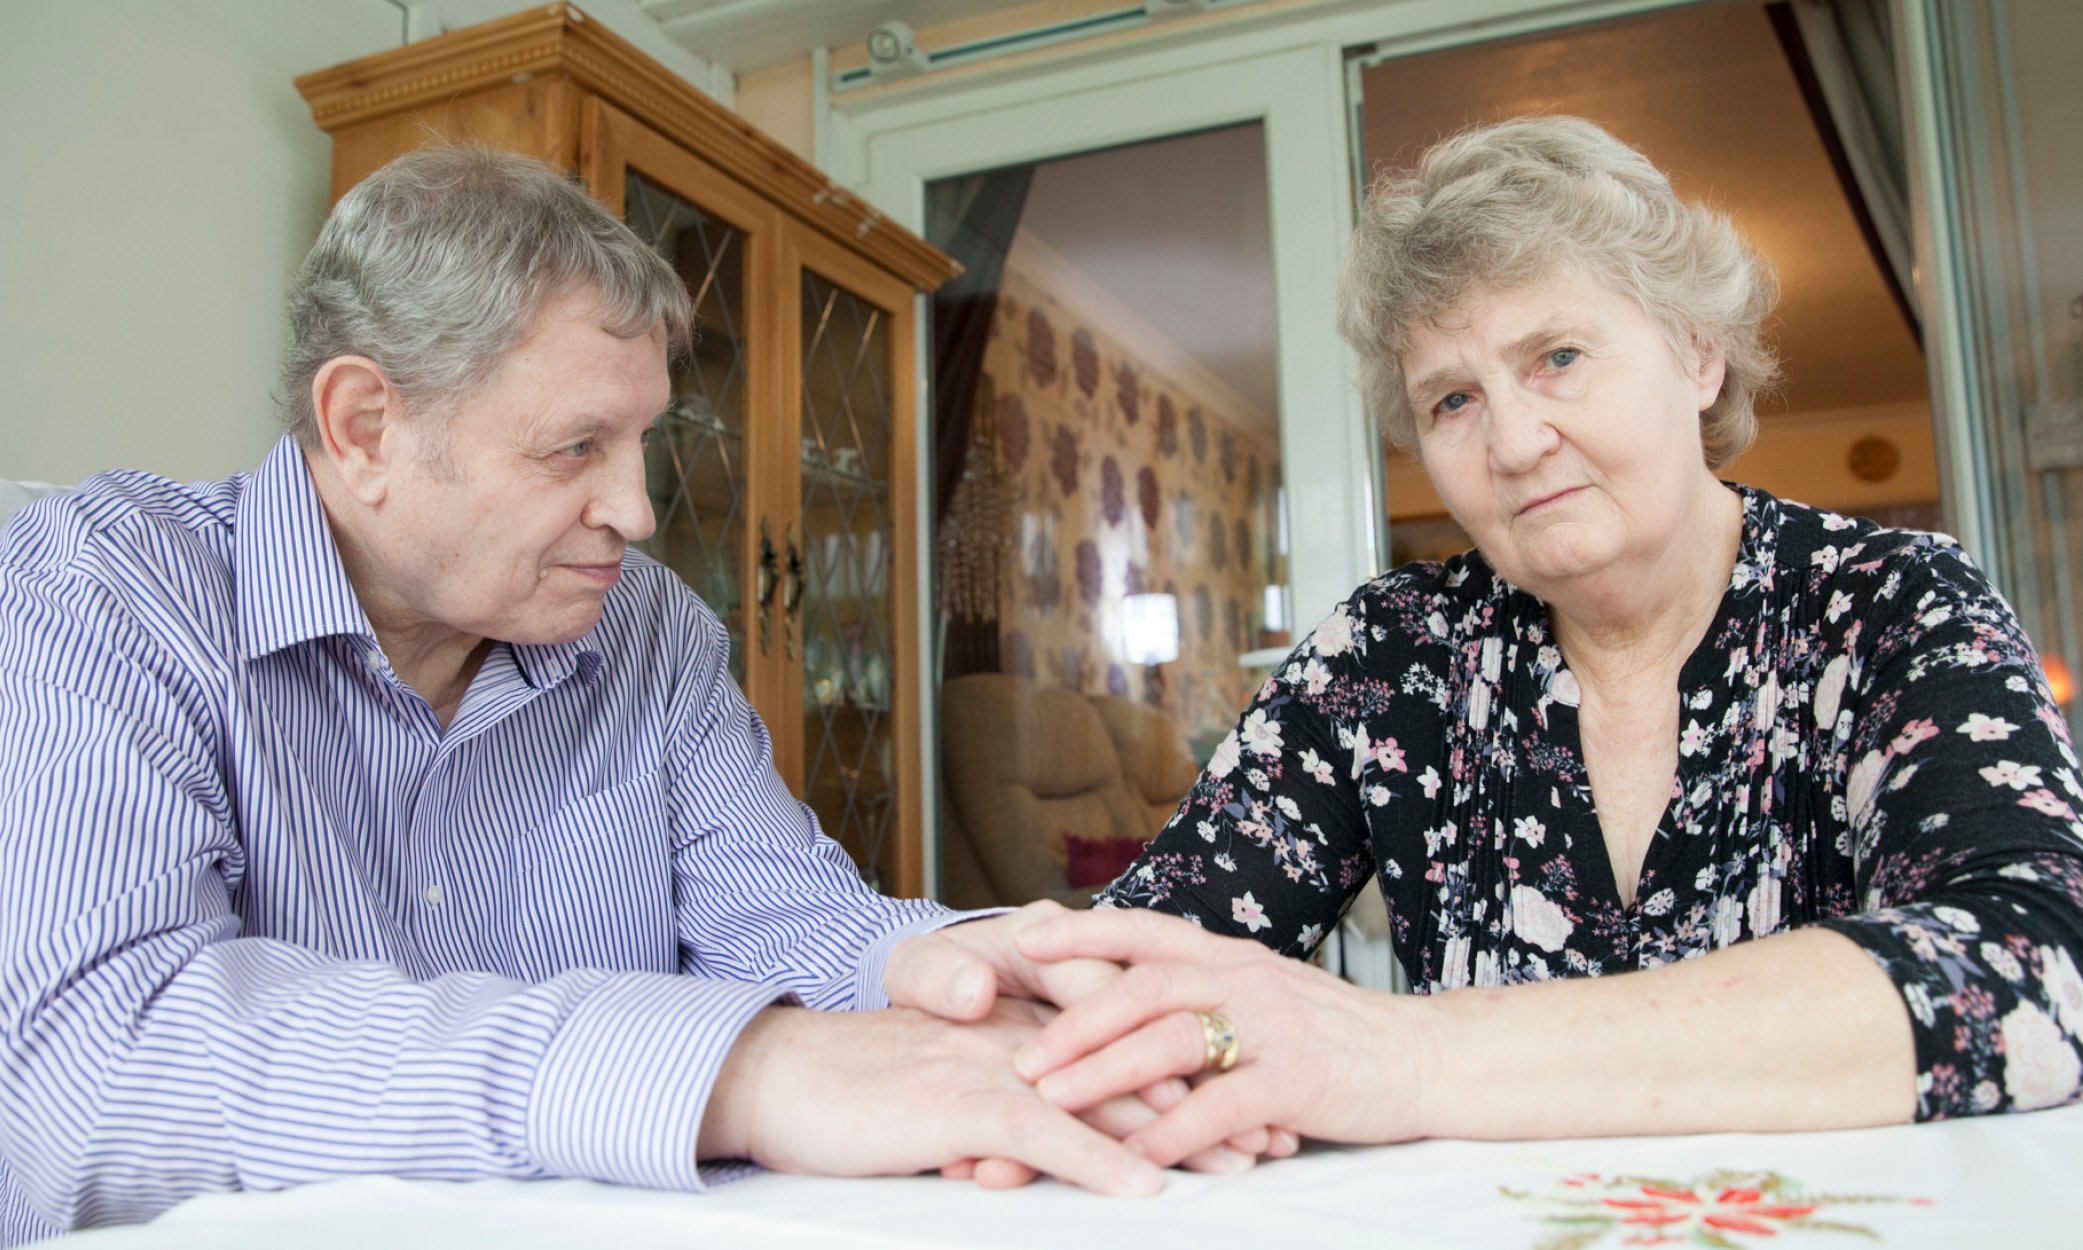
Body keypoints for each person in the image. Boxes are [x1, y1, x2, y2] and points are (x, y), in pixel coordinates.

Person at [0, 147, 1287, 1243]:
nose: (635, 510)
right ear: (364, 427)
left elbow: (775, 911)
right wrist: (734, 1068)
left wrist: (932, 961)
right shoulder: (104, 588)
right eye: (574, 447)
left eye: (644, 442)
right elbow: (93, 1070)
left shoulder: (649, 625)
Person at [1006, 116, 2083, 1164]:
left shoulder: (1890, 603)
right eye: (1453, 400)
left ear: (1697, 354)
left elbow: (2038, 964)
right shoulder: (1392, 656)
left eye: (1558, 355)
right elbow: (1145, 957)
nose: (1515, 442)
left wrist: (1411, 1055)